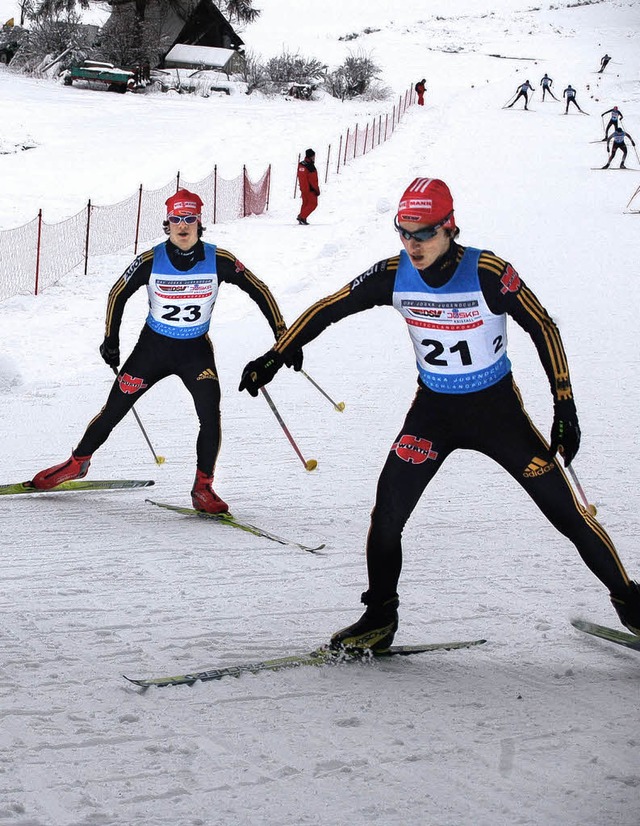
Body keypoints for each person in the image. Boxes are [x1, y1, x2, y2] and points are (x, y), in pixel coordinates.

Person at [239, 176, 640, 650]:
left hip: (497, 412)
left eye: (424, 232)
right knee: (388, 510)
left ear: (450, 227)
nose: (412, 244)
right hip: (433, 413)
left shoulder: (488, 271)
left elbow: (543, 326)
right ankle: (378, 618)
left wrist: (565, 405)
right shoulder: (393, 273)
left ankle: (633, 605)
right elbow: (330, 307)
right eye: (403, 231)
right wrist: (274, 355)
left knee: (565, 512)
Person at [29, 189, 302, 513]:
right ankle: (77, 463)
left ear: (199, 222)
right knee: (113, 410)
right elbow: (118, 293)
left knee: (210, 413)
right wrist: (111, 340)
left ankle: (203, 487)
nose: (183, 226)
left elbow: (259, 290)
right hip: (152, 350)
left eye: (189, 218)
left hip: (195, 352)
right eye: (176, 219)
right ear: (167, 223)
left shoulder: (219, 260)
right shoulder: (151, 260)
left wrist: (283, 335)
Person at [296, 148, 320, 225]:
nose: (314, 158)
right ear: (311, 156)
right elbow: (313, 180)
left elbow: (300, 177)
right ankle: (302, 216)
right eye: (313, 156)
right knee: (313, 204)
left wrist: (303, 188)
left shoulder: (301, 164)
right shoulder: (310, 167)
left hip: (303, 189)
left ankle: (303, 219)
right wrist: (317, 190)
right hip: (310, 190)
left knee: (305, 204)